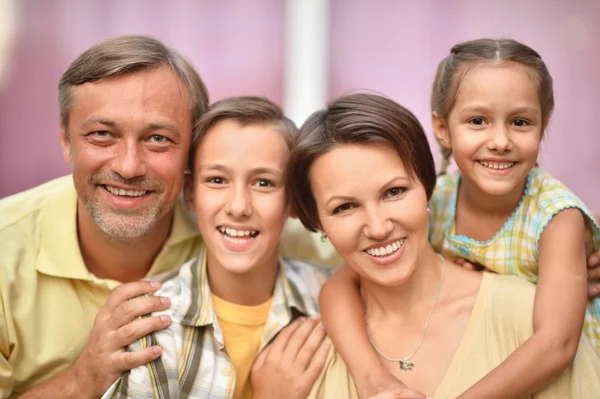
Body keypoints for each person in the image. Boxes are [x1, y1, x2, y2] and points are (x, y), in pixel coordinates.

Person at [0, 35, 337, 398]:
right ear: (66, 140)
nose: (129, 166)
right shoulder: (7, 248)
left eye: (158, 138)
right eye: (102, 134)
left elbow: (373, 272)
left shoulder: (250, 228)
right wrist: (83, 379)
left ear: (190, 156)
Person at [317, 39, 600, 399]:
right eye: (478, 121)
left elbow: (557, 344)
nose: (500, 140)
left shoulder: (557, 217)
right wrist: (372, 377)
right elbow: (338, 287)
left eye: (520, 122)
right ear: (442, 128)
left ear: (543, 126)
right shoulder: (438, 198)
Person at [103, 96, 332, 399]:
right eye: (217, 180)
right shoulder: (150, 331)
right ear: (190, 193)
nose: (238, 207)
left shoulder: (332, 302)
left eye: (263, 183)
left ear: (293, 201)